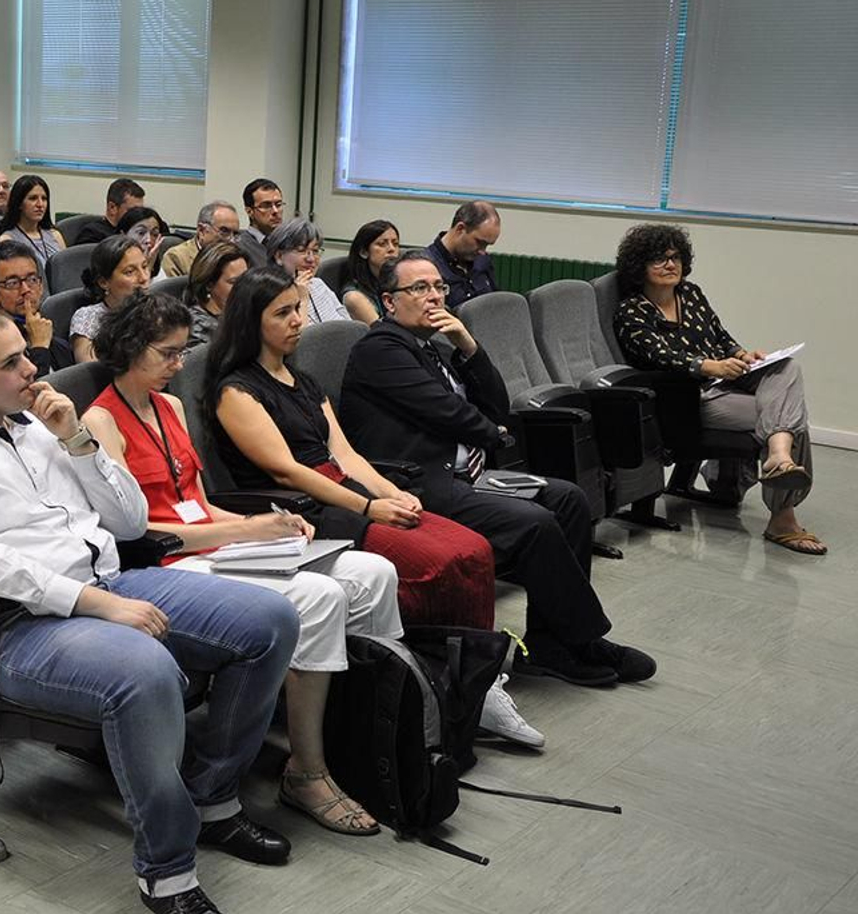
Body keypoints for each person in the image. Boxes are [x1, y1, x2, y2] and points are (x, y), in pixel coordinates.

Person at [0, 307, 299, 914]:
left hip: (108, 580)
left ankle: (213, 800)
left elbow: (130, 522)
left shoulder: (36, 426)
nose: (33, 370)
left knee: (271, 619)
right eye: (12, 364)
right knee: (147, 672)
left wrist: (77, 440)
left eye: (28, 354)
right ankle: (168, 873)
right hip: (14, 627)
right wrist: (90, 602)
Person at [83, 292, 402, 833]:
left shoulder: (170, 406)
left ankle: (358, 732)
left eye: (183, 352)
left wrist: (273, 525)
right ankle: (307, 768)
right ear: (131, 349)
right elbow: (137, 532)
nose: (178, 365)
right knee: (321, 596)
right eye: (167, 353)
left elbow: (199, 499)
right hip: (167, 564)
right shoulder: (100, 421)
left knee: (374, 572)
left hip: (212, 542)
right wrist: (247, 529)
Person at [205, 270, 525, 721]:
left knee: (473, 549)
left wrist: (393, 492)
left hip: (345, 490)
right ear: (250, 323)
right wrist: (369, 507)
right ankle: (435, 681)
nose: (298, 320)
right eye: (283, 313)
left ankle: (476, 680)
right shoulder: (236, 390)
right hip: (309, 509)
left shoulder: (304, 381)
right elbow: (287, 470)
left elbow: (346, 454)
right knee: (437, 565)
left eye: (297, 308)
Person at [339, 253, 656, 687]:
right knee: (537, 523)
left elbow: (496, 402)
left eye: (438, 287)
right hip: (416, 483)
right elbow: (451, 413)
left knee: (569, 499)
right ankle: (584, 641)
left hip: (463, 473)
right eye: (419, 289)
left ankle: (549, 645)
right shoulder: (380, 349)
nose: (434, 297)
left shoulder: (430, 346)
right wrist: (498, 435)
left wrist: (469, 345)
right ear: (389, 302)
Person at [612, 223, 822, 555]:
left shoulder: (690, 293)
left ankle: (778, 457)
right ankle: (783, 517)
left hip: (725, 379)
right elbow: (659, 356)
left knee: (787, 368)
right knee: (791, 421)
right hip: (690, 396)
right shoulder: (631, 311)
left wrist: (741, 354)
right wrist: (711, 366)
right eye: (659, 259)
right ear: (639, 267)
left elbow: (719, 335)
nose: (671, 265)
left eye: (675, 257)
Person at [0, 239, 73, 377]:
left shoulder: (57, 342)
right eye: (12, 283)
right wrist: (40, 347)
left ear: (41, 286)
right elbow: (27, 395)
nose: (25, 290)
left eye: (32, 280)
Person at [70, 234, 151, 364]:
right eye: (130, 272)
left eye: (145, 266)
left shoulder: (155, 309)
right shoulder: (87, 317)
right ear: (103, 282)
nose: (143, 278)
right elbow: (90, 372)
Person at [265, 218, 350, 325]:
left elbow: (348, 325)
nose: (311, 259)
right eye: (301, 250)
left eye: (315, 251)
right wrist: (302, 299)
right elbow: (299, 339)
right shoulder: (272, 295)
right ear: (279, 256)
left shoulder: (318, 284)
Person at [424, 200, 500, 308]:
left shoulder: (483, 261)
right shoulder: (426, 265)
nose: (482, 251)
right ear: (460, 229)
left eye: (488, 245)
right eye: (480, 242)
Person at [0, 174, 64, 266]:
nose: (40, 204)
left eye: (44, 199)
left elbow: (65, 271)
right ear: (19, 203)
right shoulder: (7, 241)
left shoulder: (55, 235)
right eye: (33, 198)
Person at [184, 243, 247, 350]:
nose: (245, 287)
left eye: (246, 279)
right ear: (209, 284)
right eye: (234, 282)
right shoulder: (195, 328)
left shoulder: (243, 315)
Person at [157, 201, 240, 281]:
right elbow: (174, 294)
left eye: (235, 234)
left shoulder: (238, 259)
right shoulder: (177, 258)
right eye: (224, 231)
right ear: (202, 230)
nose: (231, 240)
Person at [341, 220, 400, 324]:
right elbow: (382, 334)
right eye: (382, 244)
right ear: (364, 252)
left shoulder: (397, 282)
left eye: (395, 244)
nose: (391, 249)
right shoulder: (354, 297)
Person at [72, 178, 146, 245]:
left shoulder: (136, 233)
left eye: (140, 210)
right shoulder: (92, 234)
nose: (137, 216)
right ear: (112, 208)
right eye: (132, 211)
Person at [238, 178, 286, 270]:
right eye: (266, 206)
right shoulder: (239, 247)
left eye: (278, 204)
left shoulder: (288, 243)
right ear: (249, 211)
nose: (275, 211)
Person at [117, 206, 169, 273]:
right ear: (123, 235)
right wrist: (147, 267)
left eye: (155, 234)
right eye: (141, 233)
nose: (149, 240)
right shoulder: (114, 269)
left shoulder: (160, 269)